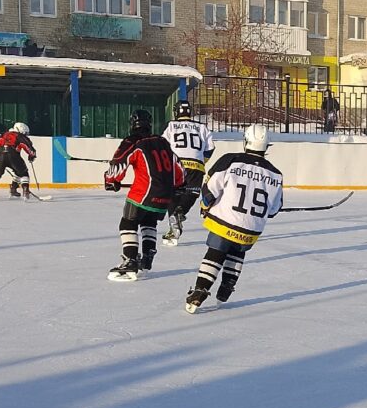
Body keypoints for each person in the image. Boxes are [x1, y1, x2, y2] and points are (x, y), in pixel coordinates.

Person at [185, 124, 284, 313]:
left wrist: (205, 207)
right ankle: (226, 288)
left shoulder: (230, 160)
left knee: (216, 252)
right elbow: (273, 209)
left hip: (224, 222)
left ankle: (200, 290)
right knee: (237, 252)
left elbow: (210, 189)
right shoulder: (276, 174)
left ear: (246, 141)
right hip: (251, 230)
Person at [103, 109, 183, 281]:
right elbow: (178, 167)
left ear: (132, 123)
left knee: (128, 222)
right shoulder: (162, 141)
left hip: (144, 192)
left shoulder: (132, 141)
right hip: (166, 194)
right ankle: (147, 258)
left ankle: (130, 259)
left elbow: (118, 163)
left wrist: (111, 180)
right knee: (149, 221)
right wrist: (179, 185)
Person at [160, 99, 216, 245]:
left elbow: (163, 145)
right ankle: (179, 214)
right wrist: (201, 161)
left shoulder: (171, 125)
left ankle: (174, 226)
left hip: (176, 165)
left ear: (176, 112)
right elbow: (210, 148)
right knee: (191, 193)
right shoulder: (202, 127)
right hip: (196, 166)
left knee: (173, 194)